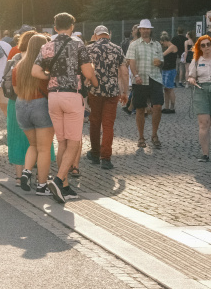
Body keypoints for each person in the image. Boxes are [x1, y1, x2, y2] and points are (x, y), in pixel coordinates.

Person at [33, 13, 98, 204]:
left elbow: (35, 71)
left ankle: (66, 188)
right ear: (71, 27)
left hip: (53, 96)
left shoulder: (46, 46)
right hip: (72, 95)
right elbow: (87, 71)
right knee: (74, 142)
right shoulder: (78, 44)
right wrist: (92, 77)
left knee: (62, 142)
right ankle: (59, 180)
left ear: (54, 28)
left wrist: (52, 78)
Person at [16, 33, 55, 195]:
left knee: (33, 145)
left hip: (21, 105)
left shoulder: (19, 65)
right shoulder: (44, 66)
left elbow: (16, 88)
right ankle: (42, 186)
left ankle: (26, 172)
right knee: (44, 149)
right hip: (40, 105)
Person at [86, 26, 129, 170]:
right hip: (112, 91)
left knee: (94, 122)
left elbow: (85, 70)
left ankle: (95, 153)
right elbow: (124, 72)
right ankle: (106, 158)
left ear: (95, 36)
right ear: (108, 35)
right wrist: (125, 92)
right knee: (108, 125)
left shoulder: (89, 49)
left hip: (95, 90)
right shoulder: (117, 49)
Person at [126, 19, 165, 148]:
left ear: (150, 30)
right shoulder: (134, 44)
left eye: (147, 29)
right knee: (140, 108)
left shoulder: (157, 45)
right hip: (140, 79)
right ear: (139, 30)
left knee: (158, 107)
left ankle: (154, 135)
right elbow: (131, 62)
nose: (145, 31)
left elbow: (162, 61)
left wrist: (159, 62)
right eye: (143, 29)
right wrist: (135, 75)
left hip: (155, 78)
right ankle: (141, 137)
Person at [5, 30, 34, 187]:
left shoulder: (14, 57)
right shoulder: (37, 60)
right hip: (35, 101)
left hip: (14, 102)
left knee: (16, 138)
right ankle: (36, 174)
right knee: (37, 140)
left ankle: (18, 176)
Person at [159, 32, 179, 113]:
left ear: (165, 40)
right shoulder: (169, 47)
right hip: (165, 69)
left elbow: (162, 55)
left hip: (170, 70)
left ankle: (172, 107)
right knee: (166, 89)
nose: (162, 45)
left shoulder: (172, 47)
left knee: (170, 88)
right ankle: (166, 107)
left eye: (162, 43)